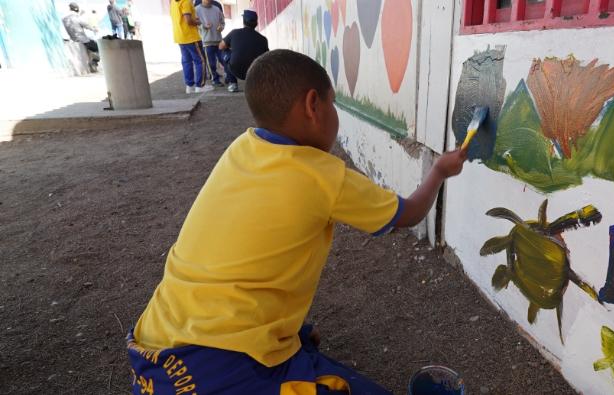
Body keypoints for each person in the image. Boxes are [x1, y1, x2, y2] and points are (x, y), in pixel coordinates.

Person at [127, 49, 467, 394]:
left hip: (154, 347)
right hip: (211, 369)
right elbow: (407, 215)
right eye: (333, 104)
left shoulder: (241, 149)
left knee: (302, 342)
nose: (335, 114)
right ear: (312, 105)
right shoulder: (323, 176)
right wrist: (438, 170)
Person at [219, 10, 268, 92]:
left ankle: (233, 83)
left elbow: (221, 46)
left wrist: (233, 48)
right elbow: (266, 57)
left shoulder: (234, 33)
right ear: (256, 23)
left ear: (244, 22)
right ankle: (257, 84)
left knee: (224, 51)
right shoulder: (263, 39)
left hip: (236, 70)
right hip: (255, 72)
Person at [171, 0, 213, 94]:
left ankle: (189, 87)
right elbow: (188, 20)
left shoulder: (173, 2)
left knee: (186, 62)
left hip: (180, 36)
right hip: (191, 37)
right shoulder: (186, 1)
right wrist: (197, 22)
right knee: (201, 61)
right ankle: (200, 86)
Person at [195, 0, 231, 87]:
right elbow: (195, 24)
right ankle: (215, 79)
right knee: (211, 63)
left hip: (218, 40)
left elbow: (222, 22)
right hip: (206, 41)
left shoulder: (217, 9)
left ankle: (228, 76)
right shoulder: (196, 9)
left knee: (225, 60)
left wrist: (221, 27)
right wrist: (204, 26)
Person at [63, 2, 100, 72]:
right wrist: (95, 29)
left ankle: (91, 61)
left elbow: (73, 21)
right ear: (76, 9)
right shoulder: (77, 18)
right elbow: (86, 25)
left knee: (90, 44)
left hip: (73, 39)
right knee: (97, 47)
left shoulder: (65, 19)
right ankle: (94, 62)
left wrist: (80, 14)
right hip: (82, 40)